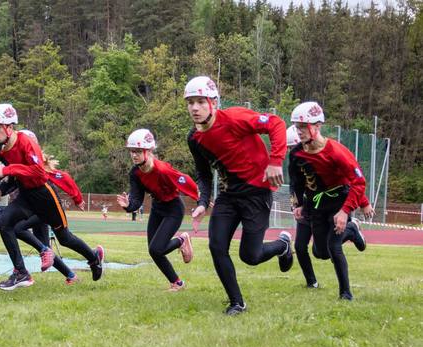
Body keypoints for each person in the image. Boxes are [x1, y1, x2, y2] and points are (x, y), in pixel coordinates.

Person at [185, 76, 292, 315]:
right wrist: (203, 202)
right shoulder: (194, 139)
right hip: (228, 195)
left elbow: (276, 123)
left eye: (201, 101)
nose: (194, 108)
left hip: (256, 192)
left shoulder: (234, 118)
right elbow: (202, 173)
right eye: (190, 102)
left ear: (213, 102)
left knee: (250, 256)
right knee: (216, 245)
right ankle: (237, 302)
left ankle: (283, 245)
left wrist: (276, 161)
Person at [0, 103, 104, 291]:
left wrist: (7, 169)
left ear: (10, 127)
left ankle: (93, 258)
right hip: (26, 196)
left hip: (44, 195)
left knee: (65, 238)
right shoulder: (1, 151)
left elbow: (38, 173)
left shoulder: (26, 142)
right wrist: (1, 190)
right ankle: (21, 272)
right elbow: (16, 177)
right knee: (4, 222)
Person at [289, 102, 374, 301]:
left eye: (303, 126)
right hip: (316, 206)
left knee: (334, 247)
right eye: (296, 126)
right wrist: (297, 205)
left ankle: (345, 293)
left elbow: (358, 182)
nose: (298, 131)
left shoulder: (337, 152)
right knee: (321, 252)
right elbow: (296, 182)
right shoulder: (295, 155)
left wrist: (346, 211)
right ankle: (353, 231)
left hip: (338, 203)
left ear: (317, 126)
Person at [116, 129, 198, 291]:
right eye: (132, 151)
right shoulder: (135, 173)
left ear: (148, 151)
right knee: (154, 251)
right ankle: (177, 283)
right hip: (157, 208)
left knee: (156, 248)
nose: (134, 155)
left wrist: (200, 197)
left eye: (138, 151)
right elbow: (137, 199)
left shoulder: (162, 169)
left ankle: (181, 240)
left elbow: (184, 180)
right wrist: (128, 206)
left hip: (173, 209)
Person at [11, 144, 86, 285]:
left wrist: (78, 198)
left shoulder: (39, 170)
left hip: (43, 211)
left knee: (18, 229)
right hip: (37, 212)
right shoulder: (23, 167)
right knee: (45, 247)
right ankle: (71, 275)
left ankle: (91, 256)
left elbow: (64, 177)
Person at [286, 125, 319, 289]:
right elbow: (293, 185)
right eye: (289, 148)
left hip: (322, 207)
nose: (292, 152)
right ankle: (311, 282)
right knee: (299, 246)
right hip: (305, 207)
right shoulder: (293, 162)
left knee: (323, 251)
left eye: (293, 147)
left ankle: (351, 230)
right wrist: (296, 206)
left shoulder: (319, 157)